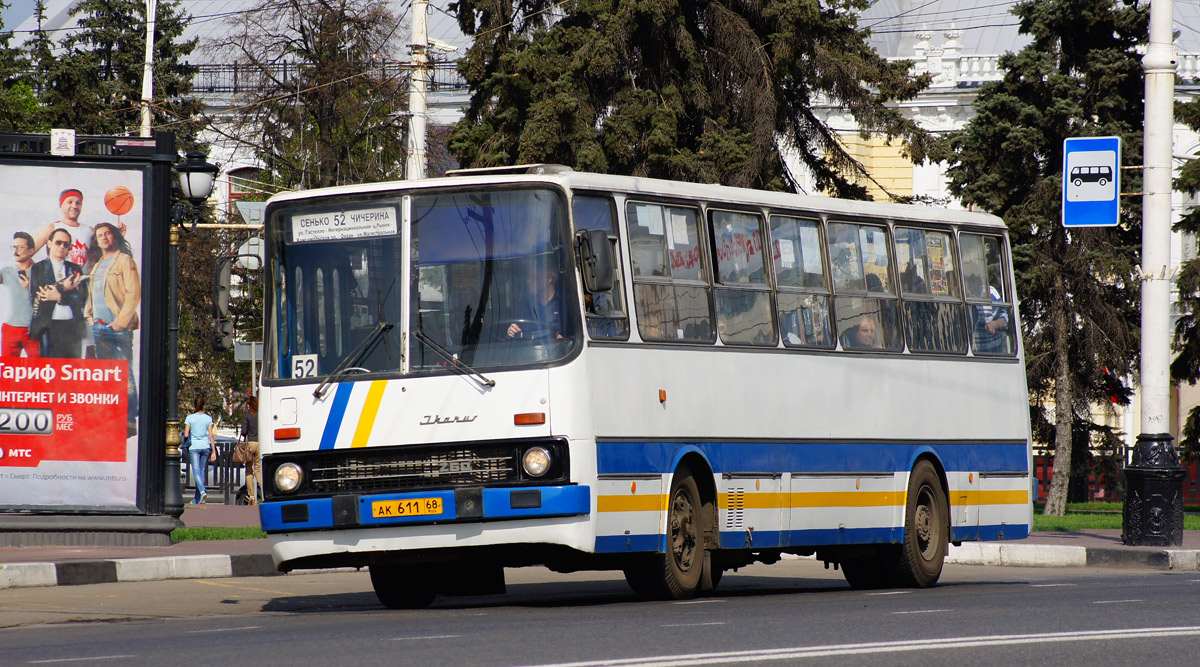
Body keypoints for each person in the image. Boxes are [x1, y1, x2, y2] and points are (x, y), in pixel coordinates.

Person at [86, 222, 142, 436]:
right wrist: (89, 316)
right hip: (99, 327)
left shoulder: (124, 260)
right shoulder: (97, 264)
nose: (103, 237)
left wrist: (121, 321)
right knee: (107, 377)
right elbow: (93, 292)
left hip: (118, 329)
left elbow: (133, 293)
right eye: (99, 234)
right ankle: (113, 419)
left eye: (107, 233)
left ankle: (129, 423)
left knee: (124, 375)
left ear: (114, 236)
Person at [29, 228, 87, 358]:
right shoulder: (38, 268)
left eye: (66, 244)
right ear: (49, 243)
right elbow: (36, 298)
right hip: (48, 327)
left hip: (72, 327)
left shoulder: (75, 269)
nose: (62, 246)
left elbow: (83, 299)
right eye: (58, 242)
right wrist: (63, 288)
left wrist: (60, 296)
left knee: (71, 372)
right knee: (49, 372)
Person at [0, 232, 40, 357]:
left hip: (34, 330)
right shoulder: (7, 271)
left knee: (39, 370)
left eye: (20, 247)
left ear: (31, 251)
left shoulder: (42, 271)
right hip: (10, 328)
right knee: (8, 371)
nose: (15, 250)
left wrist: (30, 287)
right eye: (14, 247)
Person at [34, 189, 94, 267]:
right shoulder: (52, 228)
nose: (74, 206)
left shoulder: (90, 230)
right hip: (59, 277)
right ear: (61, 205)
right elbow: (27, 252)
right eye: (70, 202)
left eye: (78, 203)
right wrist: (33, 274)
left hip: (83, 277)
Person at [507, 268, 563, 339]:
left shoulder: (564, 303)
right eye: (528, 278)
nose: (528, 282)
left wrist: (563, 340)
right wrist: (511, 331)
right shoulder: (525, 304)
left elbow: (577, 336)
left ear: (549, 278)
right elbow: (517, 330)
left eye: (533, 278)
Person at [182, 396, 217, 505]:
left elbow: (186, 434)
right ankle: (197, 499)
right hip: (205, 447)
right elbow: (211, 435)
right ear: (204, 406)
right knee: (201, 472)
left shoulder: (190, 418)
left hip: (195, 447)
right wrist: (214, 451)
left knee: (196, 471)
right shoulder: (208, 418)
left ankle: (202, 491)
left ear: (194, 405)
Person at [968, 275, 1010, 354]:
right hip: (967, 349)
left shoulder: (990, 292)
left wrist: (994, 324)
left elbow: (1004, 319)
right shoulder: (956, 293)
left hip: (992, 349)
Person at [240, 395, 261, 504]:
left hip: (250, 444)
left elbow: (244, 431)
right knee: (258, 469)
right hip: (259, 443)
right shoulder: (261, 414)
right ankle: (263, 489)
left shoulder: (247, 415)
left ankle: (252, 495)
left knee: (249, 470)